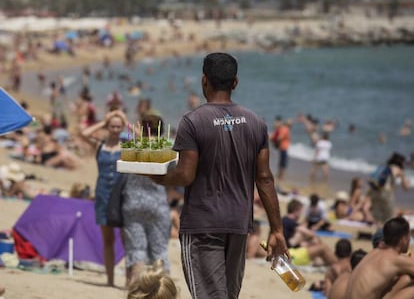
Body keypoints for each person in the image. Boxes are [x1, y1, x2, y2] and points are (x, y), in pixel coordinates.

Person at [150, 52, 288, 298]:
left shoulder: (193, 122)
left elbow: (184, 175)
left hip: (203, 224)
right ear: (235, 82)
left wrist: (156, 176)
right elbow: (265, 178)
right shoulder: (256, 123)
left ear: (204, 80)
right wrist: (277, 229)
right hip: (238, 225)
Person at [120, 115, 171, 284]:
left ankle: (136, 289)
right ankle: (162, 290)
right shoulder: (167, 147)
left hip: (133, 202)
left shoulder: (131, 146)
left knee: (137, 249)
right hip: (157, 202)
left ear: (142, 128)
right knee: (160, 251)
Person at [81, 110, 127, 287]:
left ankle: (129, 280)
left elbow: (144, 139)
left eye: (118, 127)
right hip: (102, 194)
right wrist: (104, 120)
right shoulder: (99, 145)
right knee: (108, 240)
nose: (115, 130)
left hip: (121, 195)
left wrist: (125, 121)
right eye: (112, 126)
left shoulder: (126, 145)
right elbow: (84, 134)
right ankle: (110, 280)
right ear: (108, 127)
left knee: (125, 239)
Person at [344, 217, 414, 299]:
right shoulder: (395, 259)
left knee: (406, 279)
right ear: (404, 240)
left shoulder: (374, 253)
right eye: (410, 237)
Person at [282, 199, 337, 267]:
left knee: (314, 243)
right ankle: (338, 265)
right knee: (323, 247)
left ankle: (321, 261)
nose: (301, 214)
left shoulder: (285, 220)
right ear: (296, 210)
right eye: (300, 211)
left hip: (290, 252)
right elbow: (310, 233)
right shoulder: (289, 222)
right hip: (290, 254)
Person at [367, 153, 410, 224]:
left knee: (378, 217)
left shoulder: (384, 167)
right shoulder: (398, 169)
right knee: (389, 217)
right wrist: (404, 178)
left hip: (375, 192)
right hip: (386, 195)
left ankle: (377, 232)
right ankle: (385, 233)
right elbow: (406, 188)